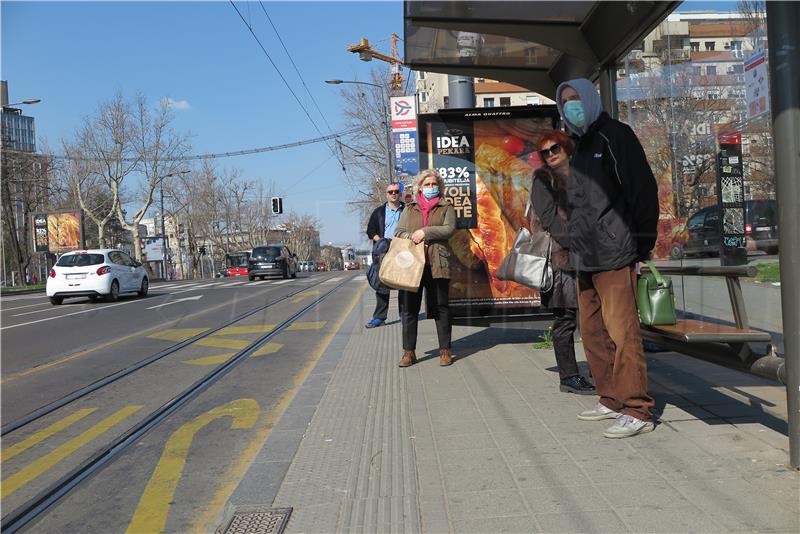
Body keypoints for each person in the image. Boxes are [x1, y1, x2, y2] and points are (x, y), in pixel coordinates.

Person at [556, 78, 659, 438]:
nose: (571, 105)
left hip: (616, 253)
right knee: (594, 333)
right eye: (564, 101)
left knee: (623, 332)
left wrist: (642, 248)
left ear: (590, 98)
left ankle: (637, 409)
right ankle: (611, 397)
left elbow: (642, 191)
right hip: (584, 257)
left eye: (575, 99)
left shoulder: (615, 135)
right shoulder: (578, 145)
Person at [530, 131, 595, 395]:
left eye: (555, 148)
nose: (551, 154)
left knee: (592, 316)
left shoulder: (582, 174)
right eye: (545, 152)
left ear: (566, 147)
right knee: (566, 318)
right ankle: (568, 376)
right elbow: (548, 218)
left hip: (589, 255)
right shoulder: (543, 178)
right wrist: (572, 240)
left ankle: (599, 369)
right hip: (561, 258)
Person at [394, 169, 456, 367]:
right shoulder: (410, 208)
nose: (431, 187)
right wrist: (411, 237)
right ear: (419, 187)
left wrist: (424, 232)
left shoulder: (446, 206)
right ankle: (408, 352)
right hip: (412, 265)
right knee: (409, 310)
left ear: (439, 186)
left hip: (437, 263)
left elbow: (449, 229)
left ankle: (445, 350)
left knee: (441, 308)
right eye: (427, 184)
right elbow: (399, 231)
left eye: (434, 184)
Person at [365, 182, 405, 328]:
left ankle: (404, 314)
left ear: (400, 194)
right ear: (386, 194)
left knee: (404, 283)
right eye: (390, 192)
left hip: (403, 250)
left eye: (396, 191)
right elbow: (370, 231)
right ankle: (379, 317)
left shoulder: (407, 210)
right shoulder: (379, 212)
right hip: (383, 251)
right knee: (382, 284)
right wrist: (381, 241)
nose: (393, 194)